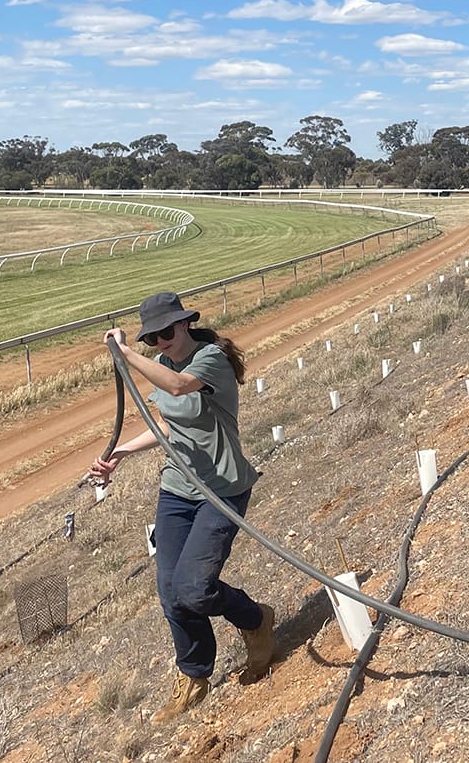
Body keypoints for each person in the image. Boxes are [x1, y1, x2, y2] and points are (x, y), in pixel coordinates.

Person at [91, 290, 275, 724]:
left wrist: (123, 353)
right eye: (151, 338)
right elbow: (166, 429)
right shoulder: (165, 364)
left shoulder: (208, 360)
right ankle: (194, 674)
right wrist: (120, 454)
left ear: (185, 323)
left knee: (194, 588)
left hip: (221, 489)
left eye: (167, 331)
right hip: (178, 489)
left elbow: (177, 387)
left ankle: (255, 619)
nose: (161, 341)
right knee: (171, 589)